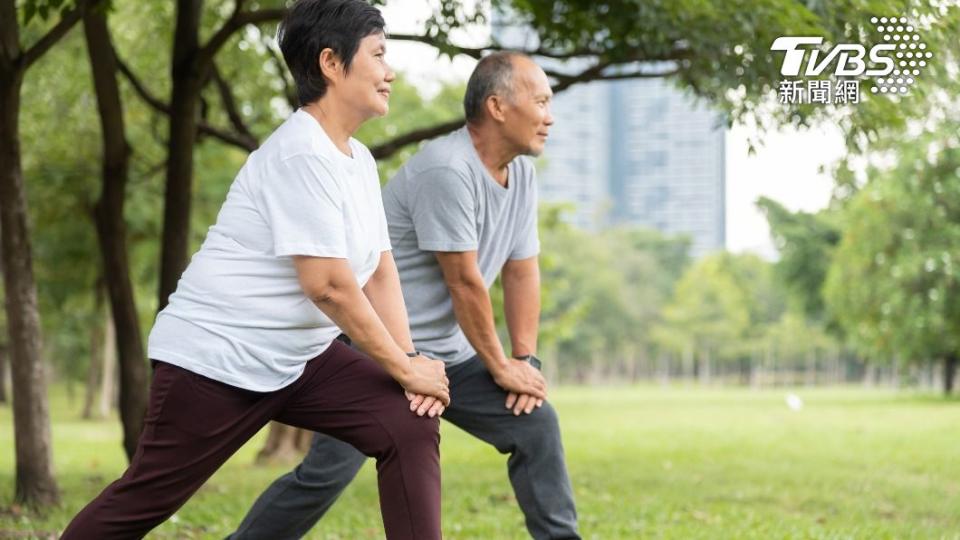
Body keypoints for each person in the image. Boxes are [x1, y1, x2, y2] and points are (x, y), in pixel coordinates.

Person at [60, 1, 449, 538]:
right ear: (332, 64)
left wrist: (408, 366)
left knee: (406, 420)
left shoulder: (356, 160)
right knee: (144, 498)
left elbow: (379, 271)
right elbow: (330, 286)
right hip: (216, 358)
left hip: (301, 359)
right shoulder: (300, 153)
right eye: (379, 55)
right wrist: (408, 371)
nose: (390, 71)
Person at [230, 52, 581, 540]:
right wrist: (501, 367)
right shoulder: (448, 169)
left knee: (535, 425)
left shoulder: (521, 174)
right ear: (498, 107)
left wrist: (525, 361)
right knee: (327, 473)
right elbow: (465, 282)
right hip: (382, 351)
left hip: (453, 357)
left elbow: (522, 271)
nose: (550, 115)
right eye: (541, 101)